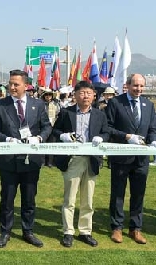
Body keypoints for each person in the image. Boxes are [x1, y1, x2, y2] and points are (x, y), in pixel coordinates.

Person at [0, 70, 52, 248]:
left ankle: (28, 231)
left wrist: (39, 138)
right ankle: (5, 231)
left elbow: (47, 127)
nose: (12, 87)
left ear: (26, 86)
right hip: (8, 160)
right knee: (7, 198)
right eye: (10, 84)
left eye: (16, 84)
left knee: (29, 198)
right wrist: (7, 139)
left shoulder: (37, 105)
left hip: (31, 160)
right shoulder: (1, 105)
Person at [53, 81, 110, 248]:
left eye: (88, 93)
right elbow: (55, 131)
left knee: (88, 199)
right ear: (75, 95)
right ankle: (68, 231)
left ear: (94, 96)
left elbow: (106, 132)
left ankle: (85, 231)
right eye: (82, 92)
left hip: (92, 159)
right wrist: (63, 135)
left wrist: (102, 138)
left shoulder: (100, 114)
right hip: (73, 159)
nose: (85, 96)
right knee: (69, 198)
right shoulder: (66, 112)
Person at [105, 74, 156, 244]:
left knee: (138, 194)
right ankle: (117, 227)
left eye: (141, 86)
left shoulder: (148, 105)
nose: (139, 89)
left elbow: (152, 128)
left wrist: (153, 138)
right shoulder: (115, 103)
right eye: (135, 86)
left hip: (141, 159)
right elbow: (108, 128)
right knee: (118, 194)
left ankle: (136, 229)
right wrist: (127, 136)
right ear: (127, 85)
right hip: (121, 157)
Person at [41, 88, 61, 168]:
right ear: (44, 96)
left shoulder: (56, 104)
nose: (48, 96)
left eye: (49, 95)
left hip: (53, 126)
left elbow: (58, 114)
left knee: (51, 144)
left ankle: (50, 162)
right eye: (46, 95)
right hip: (43, 127)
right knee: (42, 144)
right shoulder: (41, 104)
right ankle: (42, 161)